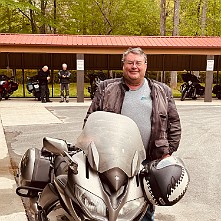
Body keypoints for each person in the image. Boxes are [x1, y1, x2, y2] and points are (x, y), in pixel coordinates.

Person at [84, 47, 181, 221]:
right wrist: (90, 143)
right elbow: (91, 118)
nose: (134, 66)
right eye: (130, 63)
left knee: (143, 207)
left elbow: (174, 123)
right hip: (112, 157)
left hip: (148, 160)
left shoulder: (162, 91)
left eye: (138, 63)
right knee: (108, 205)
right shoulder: (106, 88)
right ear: (123, 66)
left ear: (145, 65)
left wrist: (167, 152)